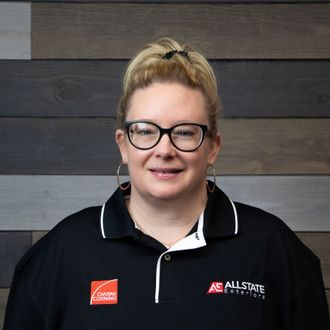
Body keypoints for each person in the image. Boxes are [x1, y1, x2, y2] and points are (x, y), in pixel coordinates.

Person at [4, 37, 330, 330]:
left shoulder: (275, 250)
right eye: (146, 131)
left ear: (213, 146)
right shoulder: (60, 253)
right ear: (123, 143)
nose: (164, 150)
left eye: (185, 132)